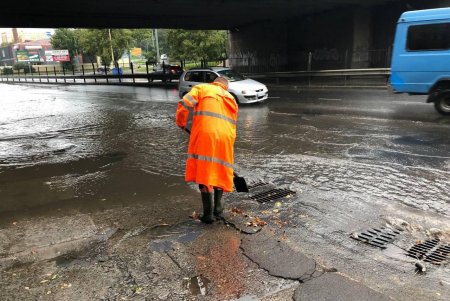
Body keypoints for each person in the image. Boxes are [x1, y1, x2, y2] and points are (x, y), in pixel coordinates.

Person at [175, 76, 238, 224]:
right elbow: (233, 123)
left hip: (206, 135)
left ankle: (208, 214)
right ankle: (218, 206)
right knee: (220, 168)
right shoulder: (231, 98)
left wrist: (181, 122)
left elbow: (184, 103)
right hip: (226, 138)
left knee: (204, 169)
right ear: (225, 87)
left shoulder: (203, 88)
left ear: (214, 83)